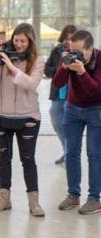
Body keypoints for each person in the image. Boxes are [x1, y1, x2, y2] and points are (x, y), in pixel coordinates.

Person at [0, 23, 45, 217]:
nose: (18, 44)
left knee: (28, 159)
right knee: (4, 158)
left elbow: (32, 84)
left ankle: (34, 202)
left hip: (28, 116)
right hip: (0, 115)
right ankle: (4, 198)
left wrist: (11, 67)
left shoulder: (38, 60)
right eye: (16, 40)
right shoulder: (4, 57)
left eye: (23, 41)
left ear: (31, 42)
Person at [53, 30, 101, 215]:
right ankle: (73, 195)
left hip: (95, 109)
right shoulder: (69, 56)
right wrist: (64, 68)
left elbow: (96, 91)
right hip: (72, 108)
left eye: (79, 51)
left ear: (90, 49)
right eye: (72, 50)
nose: (75, 54)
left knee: (94, 153)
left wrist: (81, 71)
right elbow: (57, 84)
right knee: (71, 152)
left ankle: (95, 199)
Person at [44, 24, 77, 165]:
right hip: (58, 92)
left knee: (70, 124)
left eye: (71, 39)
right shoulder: (56, 51)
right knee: (56, 119)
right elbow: (47, 69)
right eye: (66, 39)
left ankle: (70, 154)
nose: (68, 42)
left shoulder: (80, 52)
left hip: (75, 94)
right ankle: (67, 150)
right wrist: (60, 69)